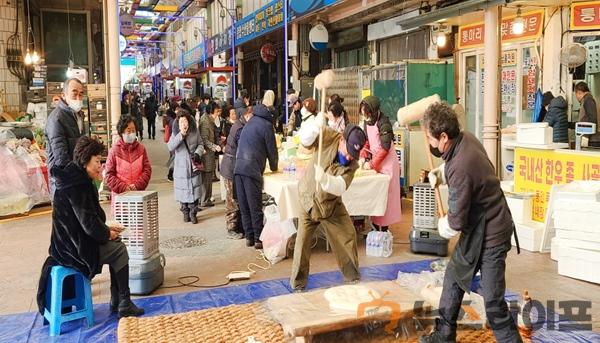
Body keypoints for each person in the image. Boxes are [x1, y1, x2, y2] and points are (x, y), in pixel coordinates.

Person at [420, 102, 522, 343]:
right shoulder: (466, 138)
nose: (431, 144)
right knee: (453, 277)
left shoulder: (460, 167)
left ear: (443, 136)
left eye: (431, 138)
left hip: (492, 234)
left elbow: (455, 222)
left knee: (493, 301)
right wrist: (440, 173)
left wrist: (443, 226)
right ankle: (444, 335)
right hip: (478, 227)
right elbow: (460, 168)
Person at [37, 136, 144, 318]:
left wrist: (106, 230)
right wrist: (106, 233)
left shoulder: (73, 178)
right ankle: (123, 302)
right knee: (119, 250)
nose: (100, 166)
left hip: (65, 244)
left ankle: (117, 301)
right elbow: (88, 224)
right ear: (85, 161)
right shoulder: (78, 185)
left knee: (115, 243)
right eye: (97, 161)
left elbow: (87, 220)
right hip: (74, 250)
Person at [290, 115, 367, 292]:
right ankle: (298, 284)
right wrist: (314, 126)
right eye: (347, 149)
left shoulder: (352, 165)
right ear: (341, 139)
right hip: (308, 200)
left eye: (353, 153)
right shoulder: (328, 136)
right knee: (301, 243)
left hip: (330, 205)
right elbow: (305, 140)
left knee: (348, 235)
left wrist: (325, 179)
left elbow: (340, 186)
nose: (349, 156)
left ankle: (352, 277)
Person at [234, 104, 279, 249]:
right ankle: (259, 239)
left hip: (238, 168)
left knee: (245, 205)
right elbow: (272, 151)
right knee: (255, 205)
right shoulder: (266, 126)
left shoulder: (251, 121)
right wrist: (274, 167)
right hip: (251, 169)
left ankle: (249, 237)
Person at [358, 96, 401, 231]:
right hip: (377, 162)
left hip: (387, 163)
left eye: (367, 113)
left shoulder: (384, 122)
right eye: (363, 113)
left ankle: (384, 230)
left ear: (373, 111)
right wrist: (363, 156)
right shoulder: (367, 122)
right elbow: (367, 141)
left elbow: (385, 148)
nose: (365, 116)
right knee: (376, 195)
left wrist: (371, 164)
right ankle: (375, 227)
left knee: (387, 197)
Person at [45, 78, 86, 197]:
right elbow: (61, 157)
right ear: (64, 95)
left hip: (77, 177)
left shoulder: (79, 115)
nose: (78, 98)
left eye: (81, 94)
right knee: (65, 215)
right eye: (74, 93)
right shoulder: (56, 118)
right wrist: (75, 176)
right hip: (63, 181)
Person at [104, 116, 152, 214]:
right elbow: (109, 175)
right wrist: (123, 188)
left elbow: (147, 170)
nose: (131, 133)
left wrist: (137, 185)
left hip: (138, 197)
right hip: (120, 201)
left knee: (139, 228)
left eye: (133, 130)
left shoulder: (141, 149)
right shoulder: (114, 151)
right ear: (122, 132)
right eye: (128, 130)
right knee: (122, 228)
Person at [220, 107, 253, 240]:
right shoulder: (240, 128)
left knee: (237, 197)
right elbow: (243, 147)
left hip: (233, 166)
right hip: (230, 168)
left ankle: (238, 226)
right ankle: (231, 228)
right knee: (232, 199)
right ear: (247, 115)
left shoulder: (240, 124)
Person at [168, 110, 205, 224]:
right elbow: (170, 146)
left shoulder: (194, 131)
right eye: (181, 121)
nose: (184, 124)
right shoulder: (175, 133)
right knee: (183, 192)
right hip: (181, 168)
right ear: (178, 123)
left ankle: (193, 213)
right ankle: (185, 212)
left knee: (195, 191)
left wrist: (198, 153)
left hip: (193, 166)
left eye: (185, 121)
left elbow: (200, 143)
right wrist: (181, 135)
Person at [198, 102, 222, 208]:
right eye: (216, 112)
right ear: (210, 112)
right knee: (206, 177)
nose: (218, 114)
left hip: (209, 154)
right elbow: (204, 139)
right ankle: (204, 199)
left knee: (208, 177)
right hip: (206, 154)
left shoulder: (209, 120)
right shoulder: (205, 122)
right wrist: (214, 147)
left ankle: (206, 198)